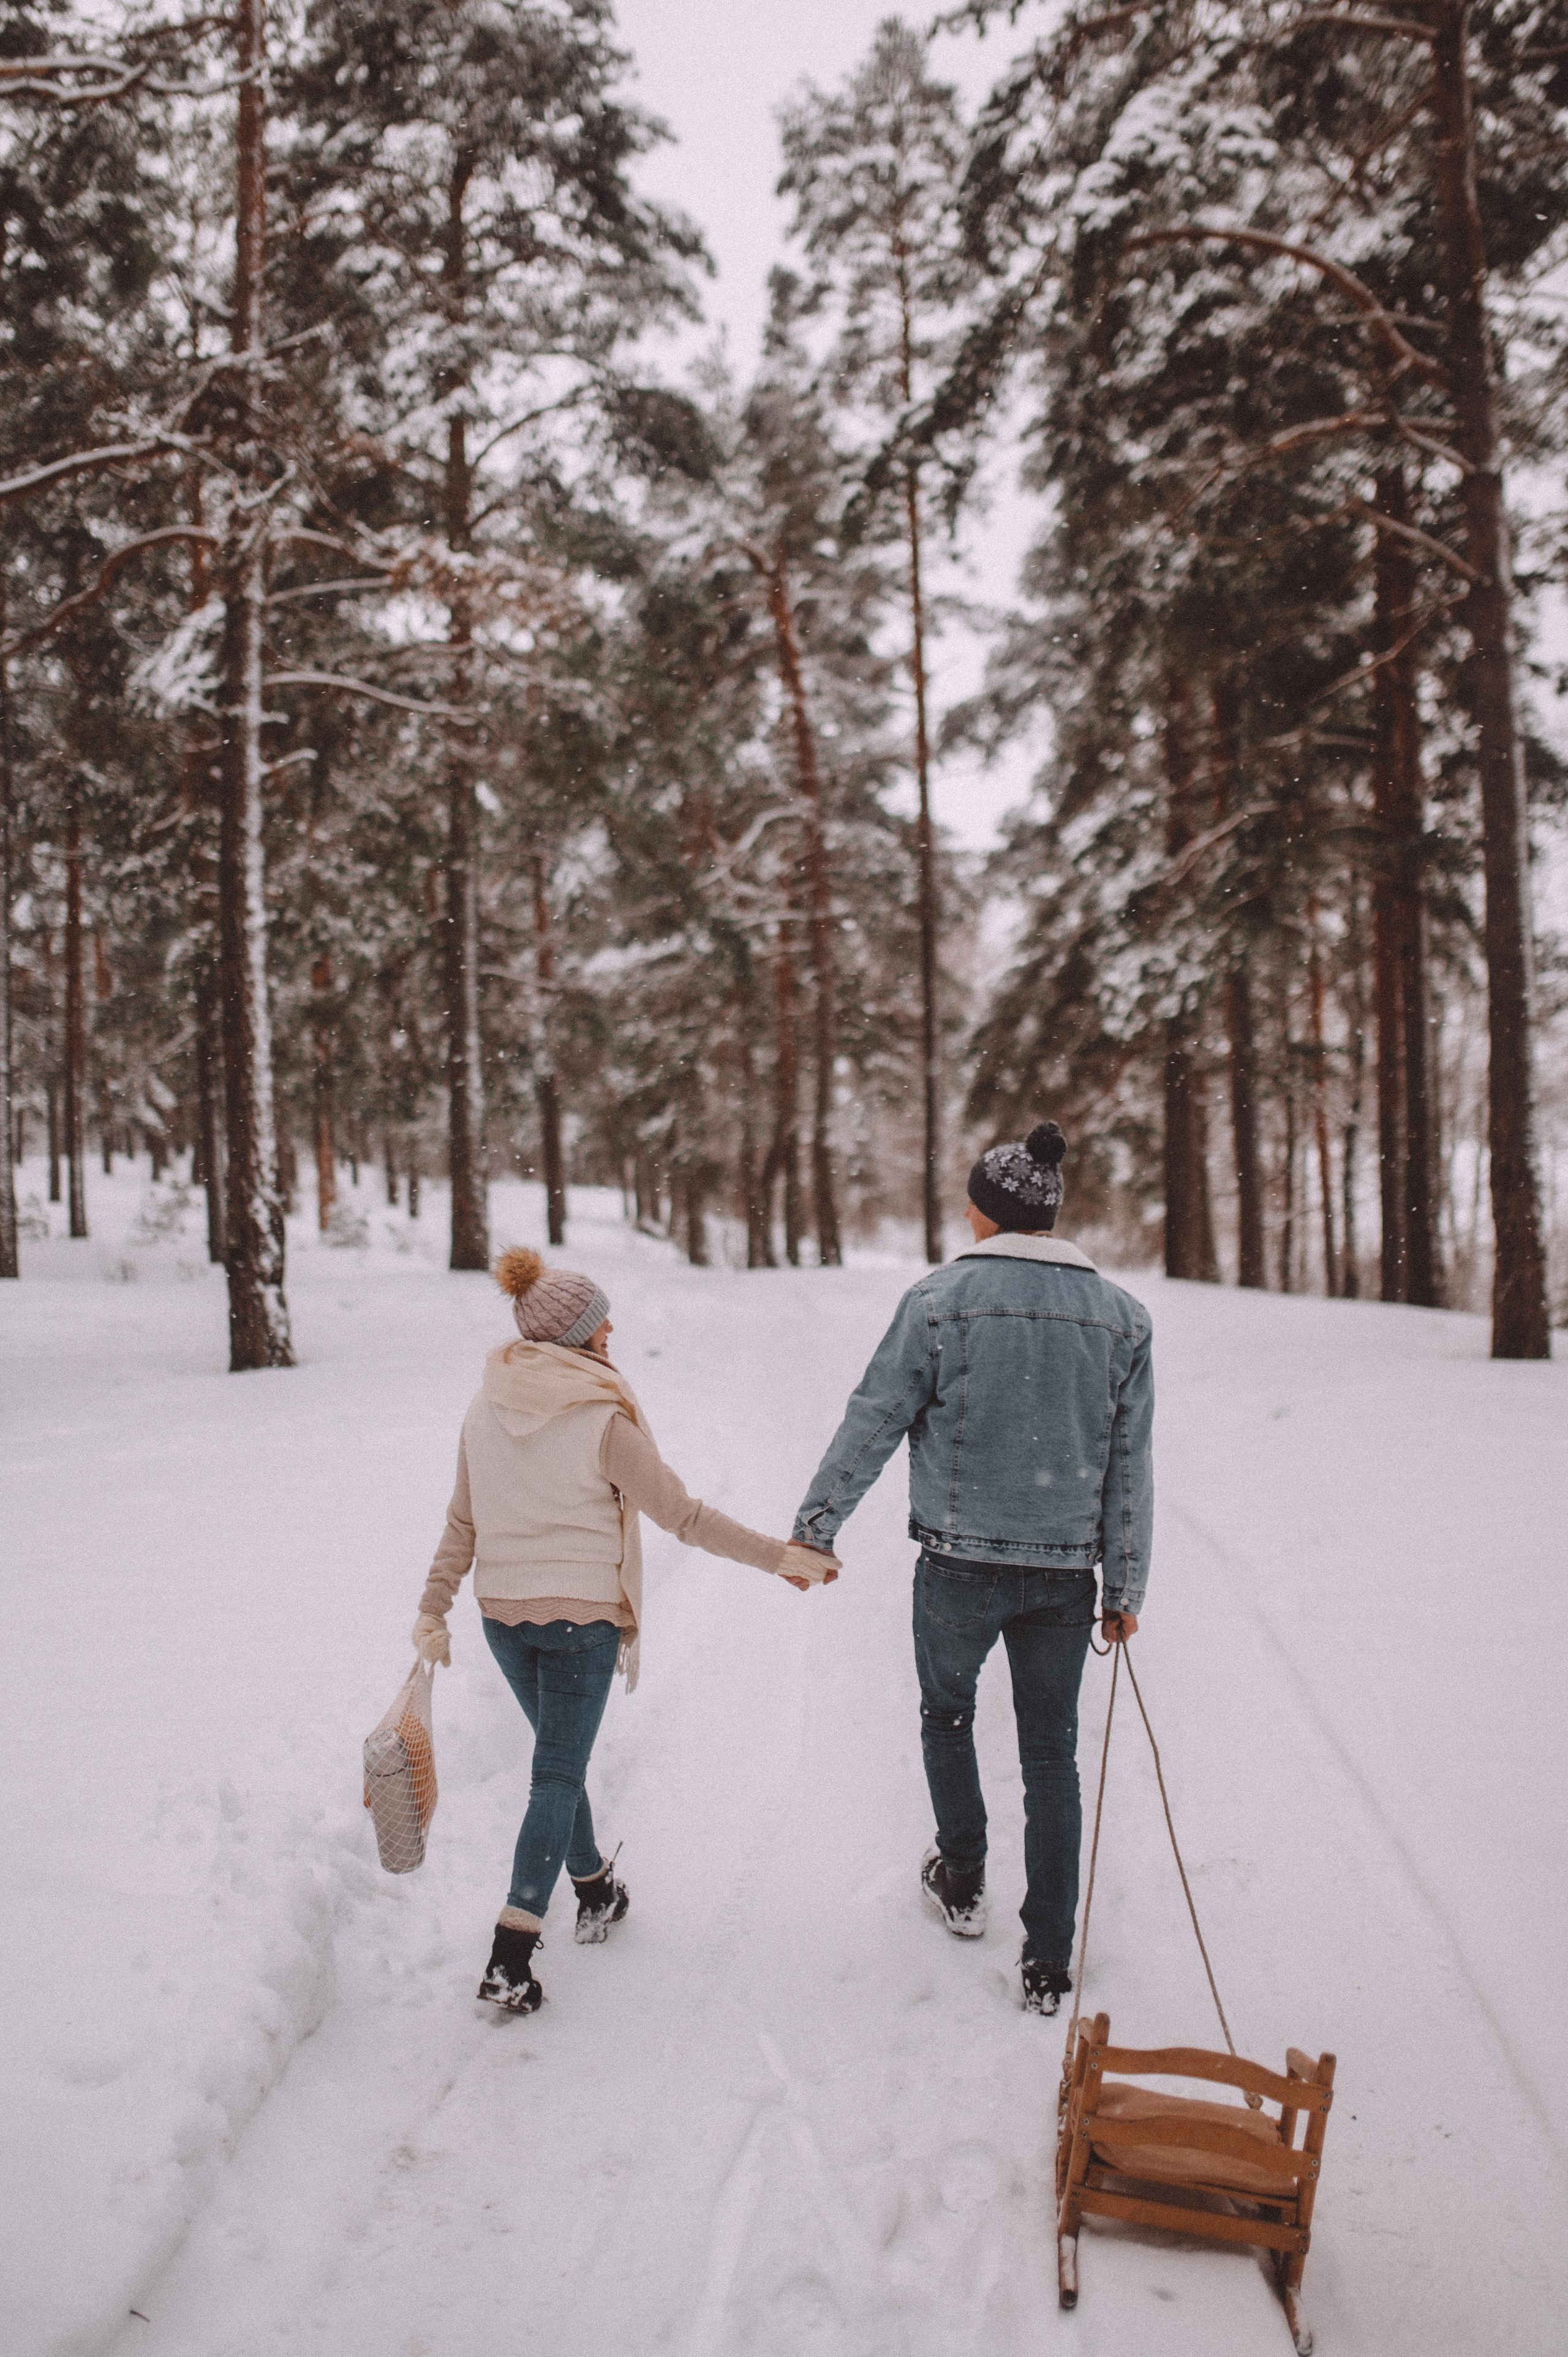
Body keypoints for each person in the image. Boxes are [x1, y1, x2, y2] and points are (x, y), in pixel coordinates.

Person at [413, 1246, 837, 2015]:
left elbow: (461, 1523)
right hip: (579, 1622)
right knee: (556, 1774)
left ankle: (594, 1886)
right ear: (572, 1336)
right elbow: (683, 1515)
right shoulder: (601, 1419)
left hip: (504, 1617)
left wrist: (434, 1604)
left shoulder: (486, 1406)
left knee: (557, 1763)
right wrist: (779, 1556)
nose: (612, 1329)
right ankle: (512, 1950)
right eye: (598, 1322)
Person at [791, 1122, 1153, 2015]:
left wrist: (817, 1525)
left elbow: (874, 1417)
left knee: (947, 1714)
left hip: (958, 1564)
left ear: (988, 1213)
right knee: (1052, 1756)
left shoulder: (938, 1301)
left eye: (971, 1202)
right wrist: (1126, 1584)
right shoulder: (1121, 1320)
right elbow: (1129, 1460)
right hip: (1065, 1575)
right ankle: (1048, 1952)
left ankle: (961, 1876)